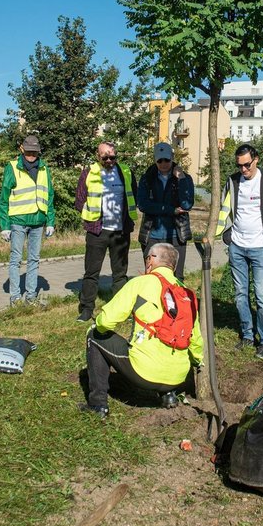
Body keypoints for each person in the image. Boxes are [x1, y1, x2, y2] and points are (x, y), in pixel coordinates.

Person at [79, 242, 203, 418]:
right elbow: (196, 340)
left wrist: (97, 322)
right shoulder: (186, 293)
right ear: (173, 265)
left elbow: (107, 321)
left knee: (94, 335)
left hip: (144, 373)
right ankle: (168, 396)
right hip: (178, 377)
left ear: (152, 260)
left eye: (147, 258)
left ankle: (98, 405)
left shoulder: (140, 283)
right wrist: (198, 361)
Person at [215, 143, 263, 360]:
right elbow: (223, 207)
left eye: (247, 165)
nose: (243, 170)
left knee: (262, 296)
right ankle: (247, 334)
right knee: (239, 294)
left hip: (261, 247)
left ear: (256, 159)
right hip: (237, 246)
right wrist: (226, 234)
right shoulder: (233, 181)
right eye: (240, 166)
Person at [74, 141, 138, 322]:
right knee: (91, 272)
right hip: (97, 231)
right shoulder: (89, 172)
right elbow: (79, 200)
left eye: (112, 157)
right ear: (98, 156)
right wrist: (91, 217)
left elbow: (134, 195)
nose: (109, 160)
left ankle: (121, 309)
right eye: (105, 157)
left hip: (121, 232)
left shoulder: (125, 172)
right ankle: (86, 309)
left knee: (120, 274)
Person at [0, 135, 55, 306]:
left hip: (38, 221)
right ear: (22, 149)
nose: (31, 156)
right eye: (29, 152)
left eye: (34, 152)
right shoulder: (13, 167)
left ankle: (30, 296)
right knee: (16, 259)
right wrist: (4, 225)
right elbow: (4, 199)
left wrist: (50, 221)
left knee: (34, 259)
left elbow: (50, 196)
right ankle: (15, 297)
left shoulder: (45, 169)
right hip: (18, 221)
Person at [137, 142, 194, 281]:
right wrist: (171, 210)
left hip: (176, 234)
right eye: (159, 160)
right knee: (151, 277)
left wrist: (181, 179)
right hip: (152, 234)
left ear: (172, 157)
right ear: (155, 160)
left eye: (167, 160)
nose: (163, 163)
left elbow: (186, 204)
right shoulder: (147, 179)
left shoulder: (185, 179)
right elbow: (143, 205)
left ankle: (176, 302)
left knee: (176, 277)